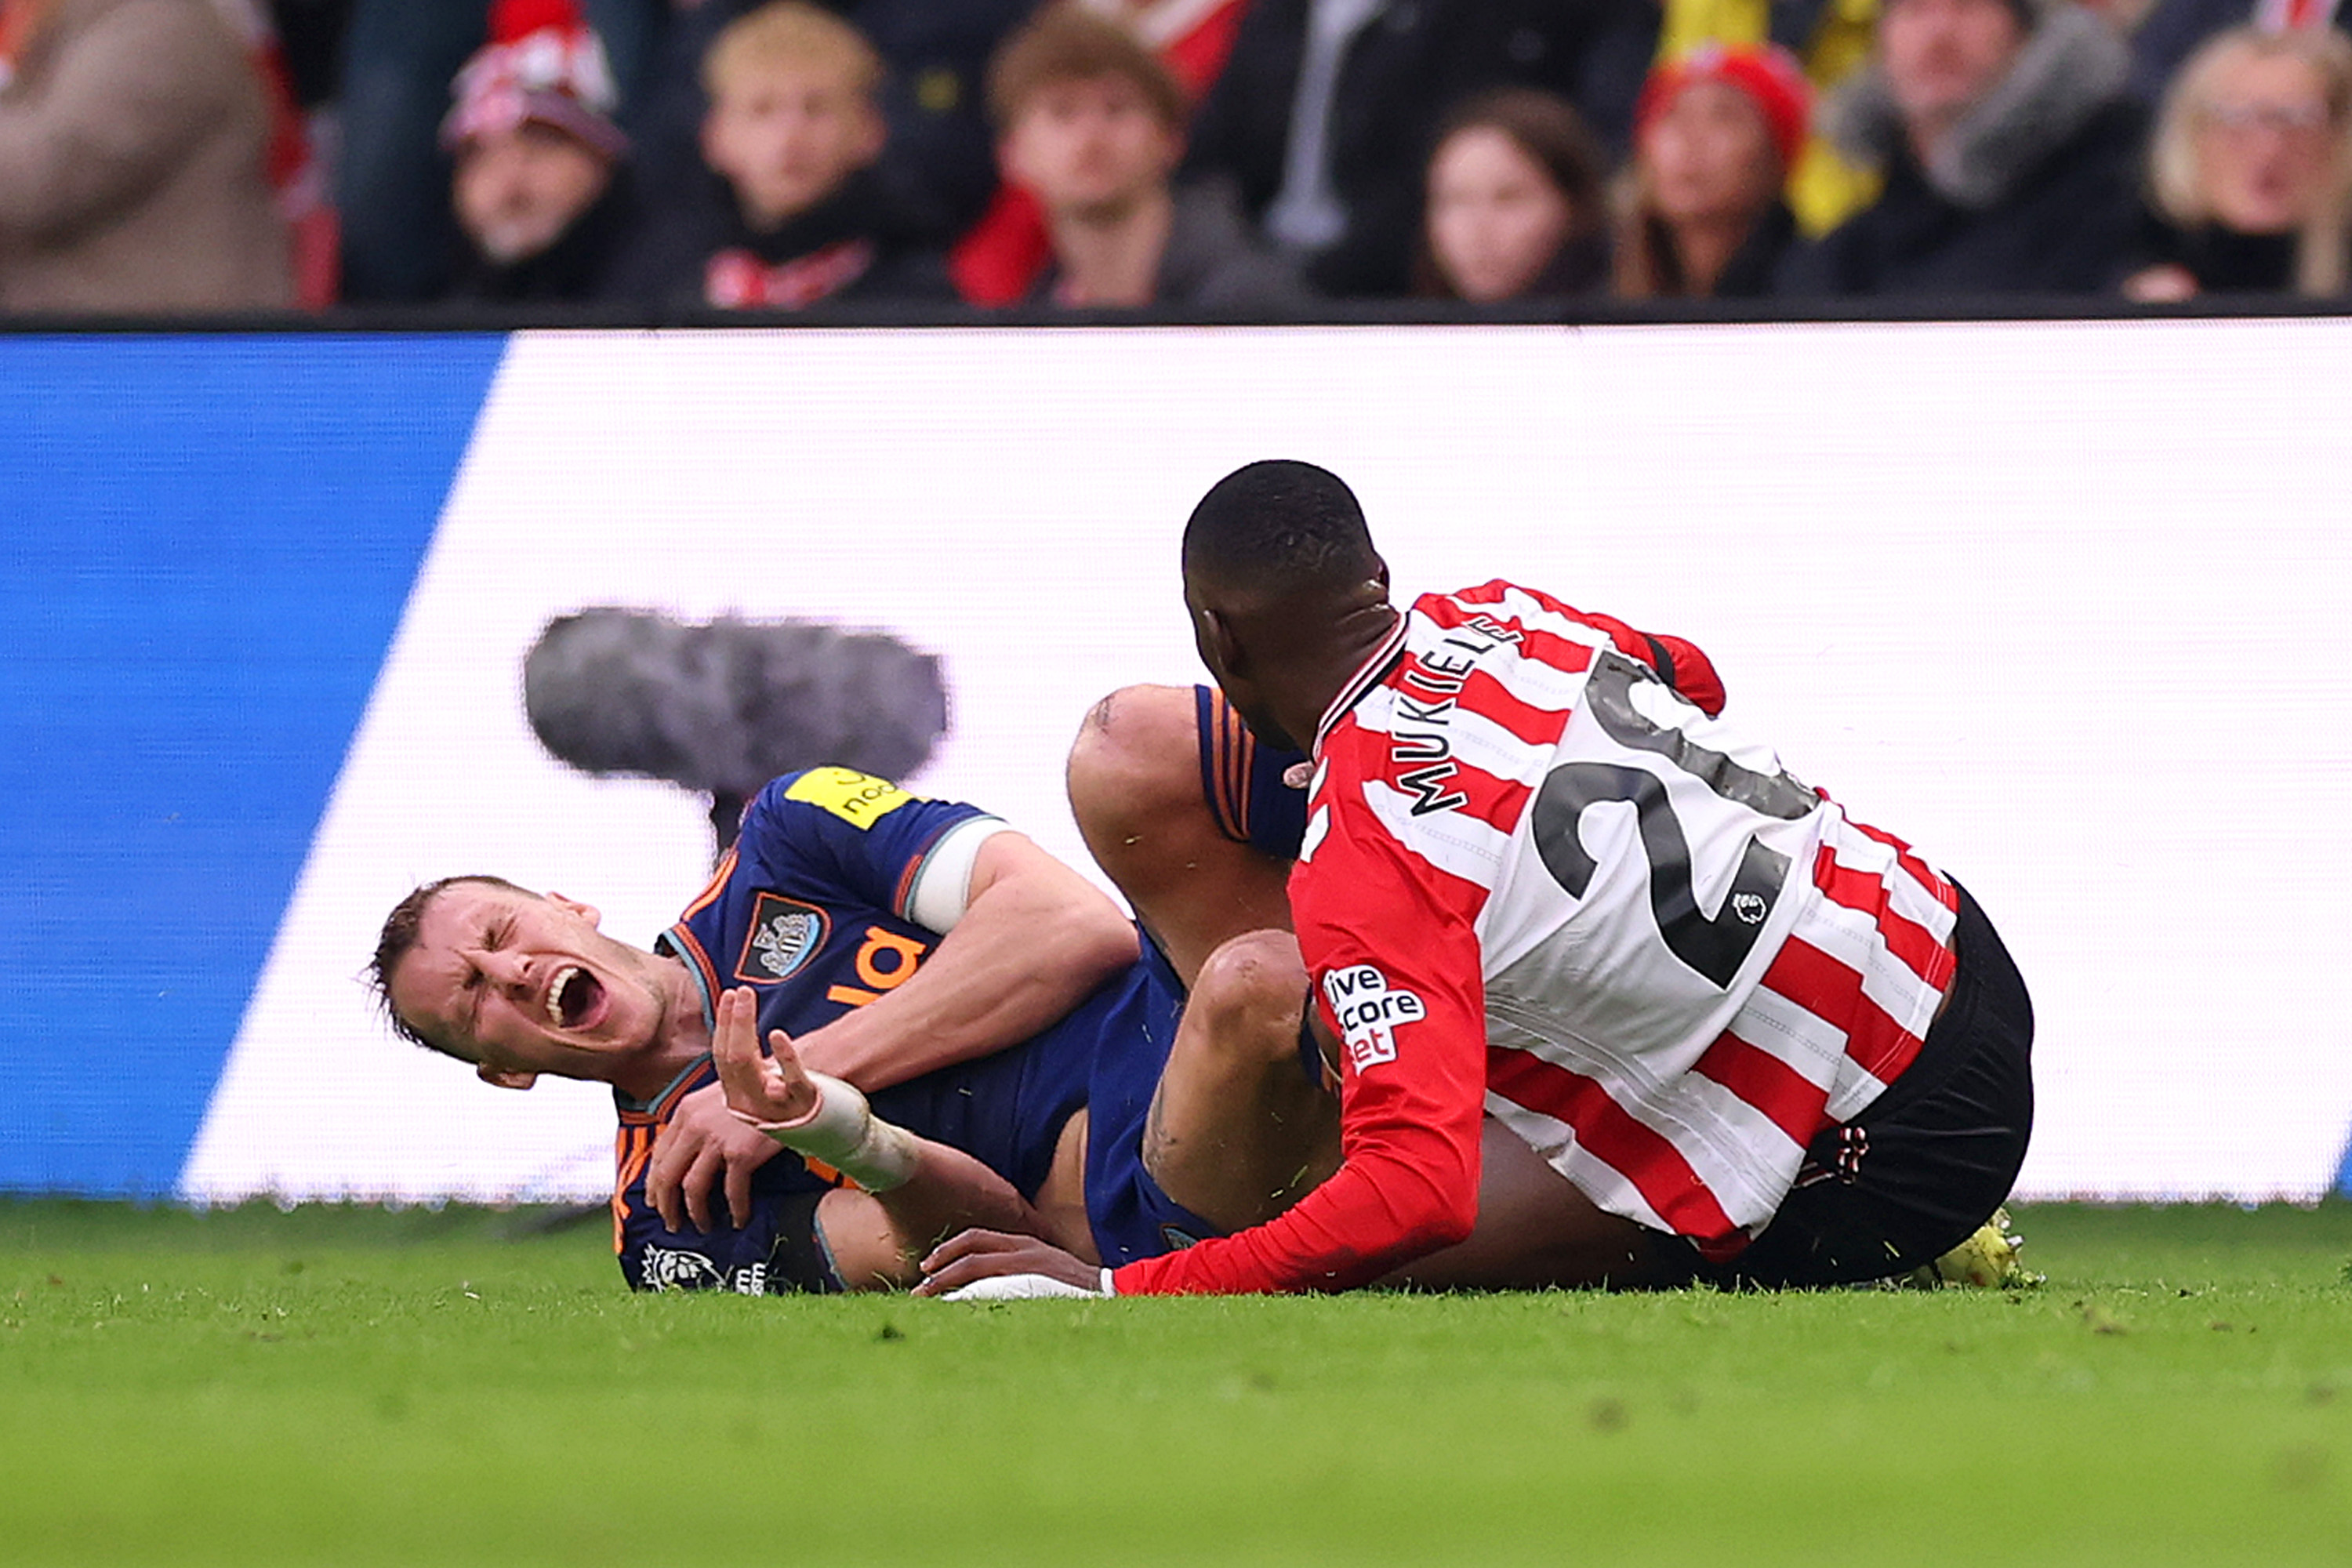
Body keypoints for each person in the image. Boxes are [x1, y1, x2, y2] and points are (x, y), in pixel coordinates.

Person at [918, 459, 2034, 1300]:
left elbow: (1417, 1194)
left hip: (1895, 1150)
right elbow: (1691, 674)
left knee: (1345, 1244)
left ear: (1220, 638)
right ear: (1379, 579)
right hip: (1949, 943)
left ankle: (1856, 1227)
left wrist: (1125, 1295)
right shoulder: (1502, 614)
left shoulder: (1370, 860)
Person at [372, 754, 1340, 1293]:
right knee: (1260, 985)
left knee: (1134, 742)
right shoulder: (665, 1219)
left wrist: (777, 1087)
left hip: (1176, 993)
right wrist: (833, 1123)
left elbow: (1073, 923)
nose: (512, 971)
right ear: (503, 1071)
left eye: (502, 934)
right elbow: (967, 1248)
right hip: (1155, 1170)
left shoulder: (787, 833)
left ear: (566, 905)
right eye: (474, 1000)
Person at [1773, 0, 2147, 296]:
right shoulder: (1835, 266)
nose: (1939, 33)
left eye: (1968, 6)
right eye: (1914, 9)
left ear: (2025, 34)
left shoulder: (2122, 196)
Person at [600, 1, 952, 310]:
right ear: (715, 135)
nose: (790, 137)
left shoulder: (921, 297)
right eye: (762, 110)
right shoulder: (656, 288)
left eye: (817, 108)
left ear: (870, 130)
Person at [985, 5, 1301, 310]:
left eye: (1117, 108)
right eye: (1062, 113)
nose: (1092, 137)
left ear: (1171, 139)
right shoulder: (1034, 312)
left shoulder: (1250, 303)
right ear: (1012, 153)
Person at [0, 0, 292, 314]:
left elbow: (41, 177)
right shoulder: (55, 18)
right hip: (75, 330)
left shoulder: (162, 24)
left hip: (175, 339)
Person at [2122, 24, 2352, 300]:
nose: (2269, 149)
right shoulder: (2119, 261)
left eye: (2299, 120)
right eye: (2238, 120)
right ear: (2192, 135)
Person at [440, 4, 634, 304]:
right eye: (482, 155)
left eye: (541, 146)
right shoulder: (431, 337)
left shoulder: (667, 320)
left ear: (601, 157)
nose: (509, 178)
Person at [1614, 44, 1811, 300]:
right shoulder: (1606, 292)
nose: (1691, 138)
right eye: (1673, 114)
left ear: (1773, 155)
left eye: (1724, 117)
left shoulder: (1816, 286)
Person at [1416, 88, 1610, 303]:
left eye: (1509, 198)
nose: (1478, 229)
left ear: (1572, 205)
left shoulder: (1625, 331)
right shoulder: (1399, 332)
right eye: (1456, 200)